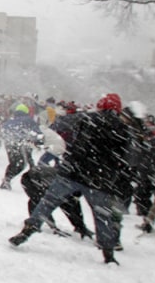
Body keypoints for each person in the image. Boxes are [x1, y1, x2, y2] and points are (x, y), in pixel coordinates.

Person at [9, 93, 136, 264]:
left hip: (73, 171)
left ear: (100, 105)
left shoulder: (87, 118)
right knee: (102, 216)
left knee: (48, 202)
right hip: (100, 179)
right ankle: (108, 252)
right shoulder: (123, 129)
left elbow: (59, 124)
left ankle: (28, 230)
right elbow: (126, 158)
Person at [0, 103, 39, 190]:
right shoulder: (29, 120)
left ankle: (6, 180)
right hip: (20, 144)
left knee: (13, 163)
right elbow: (37, 132)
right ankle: (8, 180)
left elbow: (3, 130)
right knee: (21, 164)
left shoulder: (10, 120)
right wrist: (38, 141)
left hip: (9, 143)